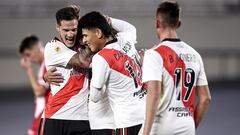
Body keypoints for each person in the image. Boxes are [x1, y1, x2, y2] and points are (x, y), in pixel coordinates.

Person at [141, 1, 212, 135]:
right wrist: (191, 126)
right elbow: (205, 98)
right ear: (179, 24)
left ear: (157, 23)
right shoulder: (195, 55)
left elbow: (154, 95)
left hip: (161, 127)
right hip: (187, 126)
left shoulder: (154, 54)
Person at [78, 11, 146, 135]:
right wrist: (108, 19)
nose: (84, 41)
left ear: (98, 33)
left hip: (128, 122)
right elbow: (130, 27)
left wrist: (101, 79)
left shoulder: (100, 58)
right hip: (146, 116)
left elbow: (95, 97)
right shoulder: (125, 39)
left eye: (86, 35)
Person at [40, 5, 92, 135]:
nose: (70, 34)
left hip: (82, 118)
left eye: (74, 29)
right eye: (66, 30)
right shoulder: (53, 47)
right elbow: (83, 61)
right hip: (56, 117)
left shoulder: (84, 44)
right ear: (58, 27)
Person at [19, 35, 49, 135]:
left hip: (45, 118)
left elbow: (39, 91)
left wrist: (29, 69)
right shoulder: (43, 65)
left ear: (36, 49)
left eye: (28, 54)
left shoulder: (48, 63)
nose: (29, 59)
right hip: (42, 118)